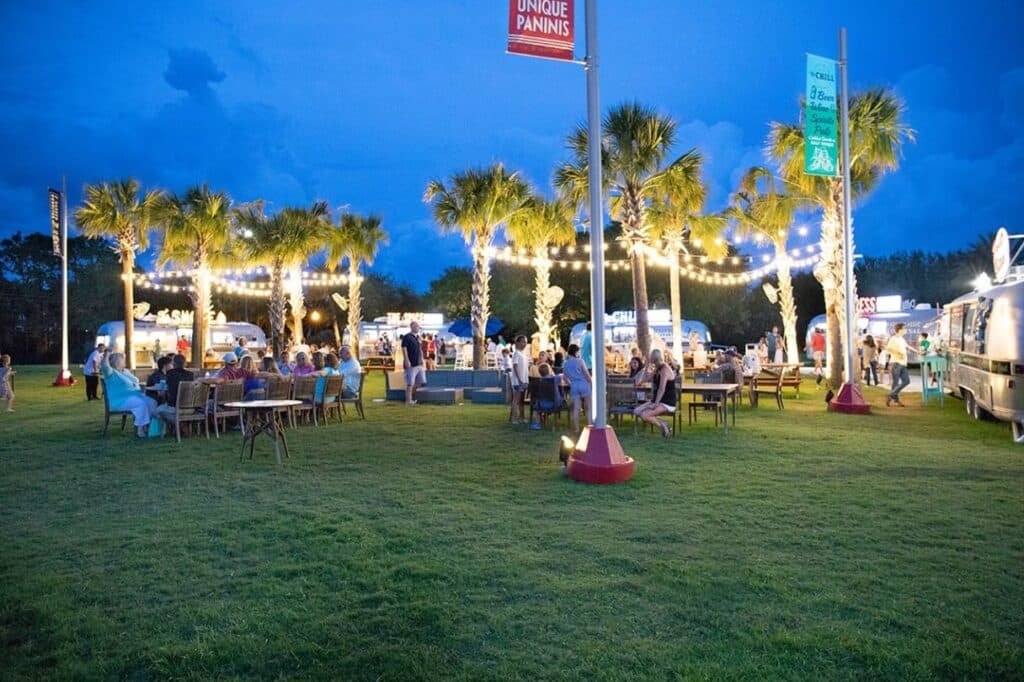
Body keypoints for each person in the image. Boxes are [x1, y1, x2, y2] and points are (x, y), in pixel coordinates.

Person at [101, 352, 158, 437]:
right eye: (123, 360)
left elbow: (135, 381)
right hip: (120, 400)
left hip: (135, 395)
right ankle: (140, 429)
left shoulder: (125, 371)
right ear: (117, 362)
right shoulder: (111, 373)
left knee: (152, 402)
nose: (125, 361)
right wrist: (107, 354)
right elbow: (105, 366)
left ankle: (148, 425)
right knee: (140, 404)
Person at [634, 349, 677, 438]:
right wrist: (645, 366)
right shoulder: (657, 369)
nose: (652, 363)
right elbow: (642, 380)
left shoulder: (665, 369)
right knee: (637, 411)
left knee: (645, 415)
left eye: (653, 361)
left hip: (667, 402)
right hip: (657, 400)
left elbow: (661, 389)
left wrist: (656, 404)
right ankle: (664, 423)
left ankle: (663, 427)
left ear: (657, 360)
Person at [562, 343, 592, 433]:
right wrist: (591, 382)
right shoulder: (580, 361)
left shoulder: (565, 363)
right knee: (588, 407)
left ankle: (576, 429)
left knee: (576, 408)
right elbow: (586, 374)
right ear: (576, 352)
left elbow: (564, 377)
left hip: (574, 385)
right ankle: (590, 426)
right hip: (583, 384)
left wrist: (570, 384)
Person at [157, 354, 195, 421]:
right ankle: (180, 424)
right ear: (185, 364)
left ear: (173, 363)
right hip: (191, 408)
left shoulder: (170, 373)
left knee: (157, 410)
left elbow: (165, 390)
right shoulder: (191, 375)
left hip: (175, 408)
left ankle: (174, 425)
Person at [885, 323, 914, 407]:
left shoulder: (901, 339)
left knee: (906, 381)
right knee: (895, 382)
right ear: (900, 330)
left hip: (903, 363)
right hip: (896, 363)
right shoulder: (893, 339)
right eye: (904, 329)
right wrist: (899, 353)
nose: (906, 330)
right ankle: (895, 400)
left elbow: (907, 346)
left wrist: (917, 351)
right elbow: (888, 349)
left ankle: (891, 395)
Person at [529, 363, 564, 430]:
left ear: (539, 372)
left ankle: (537, 423)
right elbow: (562, 375)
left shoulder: (538, 380)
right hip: (554, 404)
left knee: (537, 403)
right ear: (549, 370)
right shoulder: (554, 379)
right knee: (561, 398)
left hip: (541, 405)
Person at [402, 320, 426, 405]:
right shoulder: (407, 337)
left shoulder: (418, 338)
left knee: (421, 382)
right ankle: (408, 401)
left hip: (419, 364)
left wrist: (422, 359)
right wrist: (406, 360)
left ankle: (411, 398)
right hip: (411, 364)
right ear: (412, 327)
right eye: (416, 326)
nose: (418, 328)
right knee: (410, 383)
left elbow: (420, 349)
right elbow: (404, 348)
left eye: (418, 327)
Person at [510, 335, 530, 425]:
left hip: (524, 380)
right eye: (523, 341)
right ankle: (515, 418)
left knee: (522, 400)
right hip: (518, 381)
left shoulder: (524, 354)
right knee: (516, 400)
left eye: (526, 342)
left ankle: (522, 418)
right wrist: (519, 379)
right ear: (517, 343)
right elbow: (515, 366)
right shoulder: (516, 354)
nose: (524, 344)